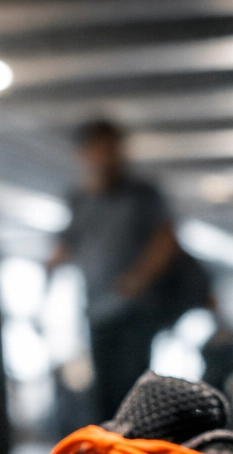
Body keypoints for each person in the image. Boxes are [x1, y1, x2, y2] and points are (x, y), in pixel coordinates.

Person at [48, 120, 185, 421]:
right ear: (83, 154)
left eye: (113, 148)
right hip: (97, 311)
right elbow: (65, 244)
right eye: (99, 149)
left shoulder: (143, 194)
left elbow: (166, 239)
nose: (107, 156)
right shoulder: (79, 199)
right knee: (103, 395)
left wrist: (139, 278)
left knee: (133, 391)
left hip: (135, 312)